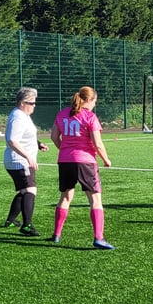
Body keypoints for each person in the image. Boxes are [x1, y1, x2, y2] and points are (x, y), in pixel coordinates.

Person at [50, 86, 115, 250]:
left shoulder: (62, 113)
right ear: (89, 100)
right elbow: (97, 143)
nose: (94, 104)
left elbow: (53, 136)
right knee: (95, 200)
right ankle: (99, 238)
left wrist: (64, 150)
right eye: (95, 101)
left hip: (65, 161)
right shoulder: (90, 117)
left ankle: (56, 234)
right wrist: (106, 159)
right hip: (85, 161)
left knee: (65, 197)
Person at [3, 87, 49, 236]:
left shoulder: (23, 115)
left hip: (19, 160)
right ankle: (27, 225)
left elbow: (25, 136)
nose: (34, 106)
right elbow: (12, 140)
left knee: (24, 191)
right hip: (20, 161)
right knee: (30, 190)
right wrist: (28, 156)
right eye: (32, 103)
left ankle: (10, 220)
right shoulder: (18, 117)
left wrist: (38, 143)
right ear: (23, 103)